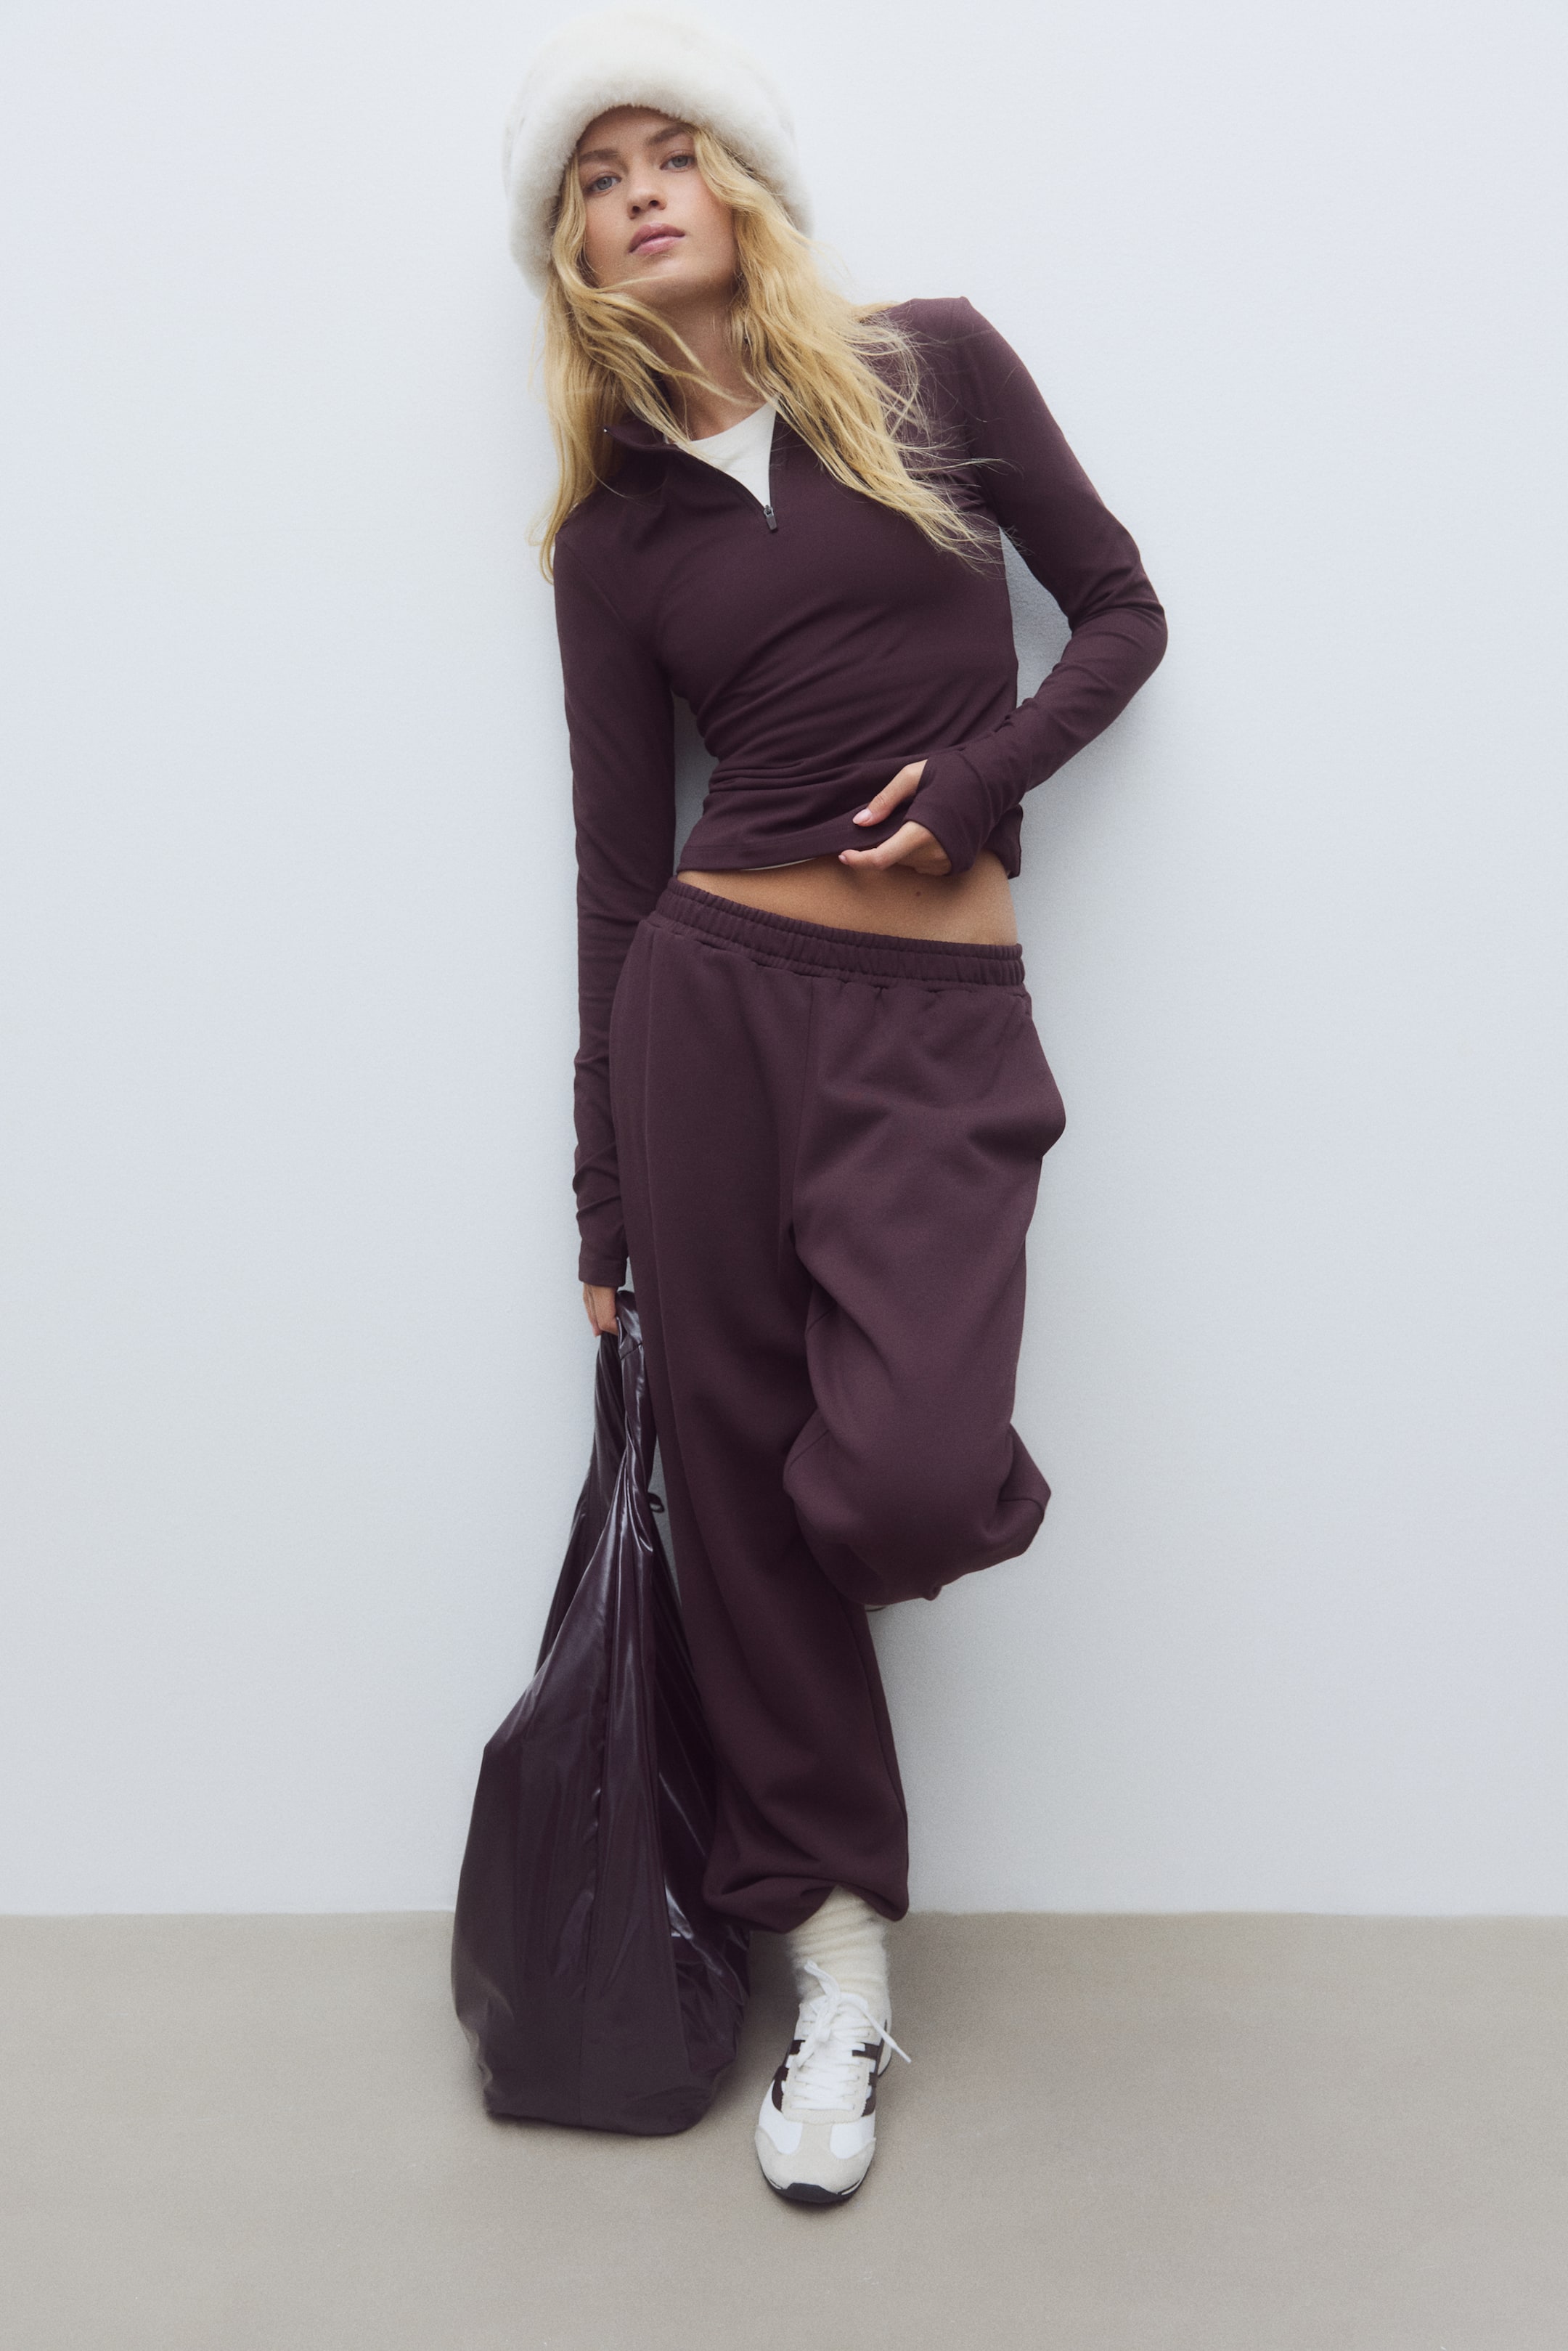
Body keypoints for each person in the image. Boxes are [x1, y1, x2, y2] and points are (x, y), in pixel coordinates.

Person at [502, 6, 1166, 2204]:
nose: (639, 196)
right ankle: (839, 1968)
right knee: (737, 1494)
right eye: (597, 184)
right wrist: (600, 1197)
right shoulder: (612, 536)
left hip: (932, 1025)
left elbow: (1122, 613)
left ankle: (799, 1690)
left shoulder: (930, 370)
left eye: (667, 155)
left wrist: (977, 779)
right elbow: (615, 870)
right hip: (705, 1017)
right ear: (575, 256)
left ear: (743, 184)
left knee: (896, 1475)